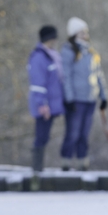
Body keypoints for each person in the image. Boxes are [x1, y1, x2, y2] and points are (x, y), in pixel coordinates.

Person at [60, 17, 108, 171]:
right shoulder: (68, 51)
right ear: (74, 34)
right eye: (81, 32)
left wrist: (104, 95)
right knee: (72, 133)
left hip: (90, 99)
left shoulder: (91, 52)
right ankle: (66, 162)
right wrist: (69, 98)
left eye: (85, 32)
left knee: (84, 133)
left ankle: (82, 162)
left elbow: (99, 74)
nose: (85, 34)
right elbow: (66, 76)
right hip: (75, 100)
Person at [27, 25, 64, 173]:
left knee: (44, 137)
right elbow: (38, 84)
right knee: (40, 138)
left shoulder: (51, 55)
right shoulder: (39, 57)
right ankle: (37, 170)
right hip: (44, 105)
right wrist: (42, 105)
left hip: (52, 104)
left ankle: (38, 169)